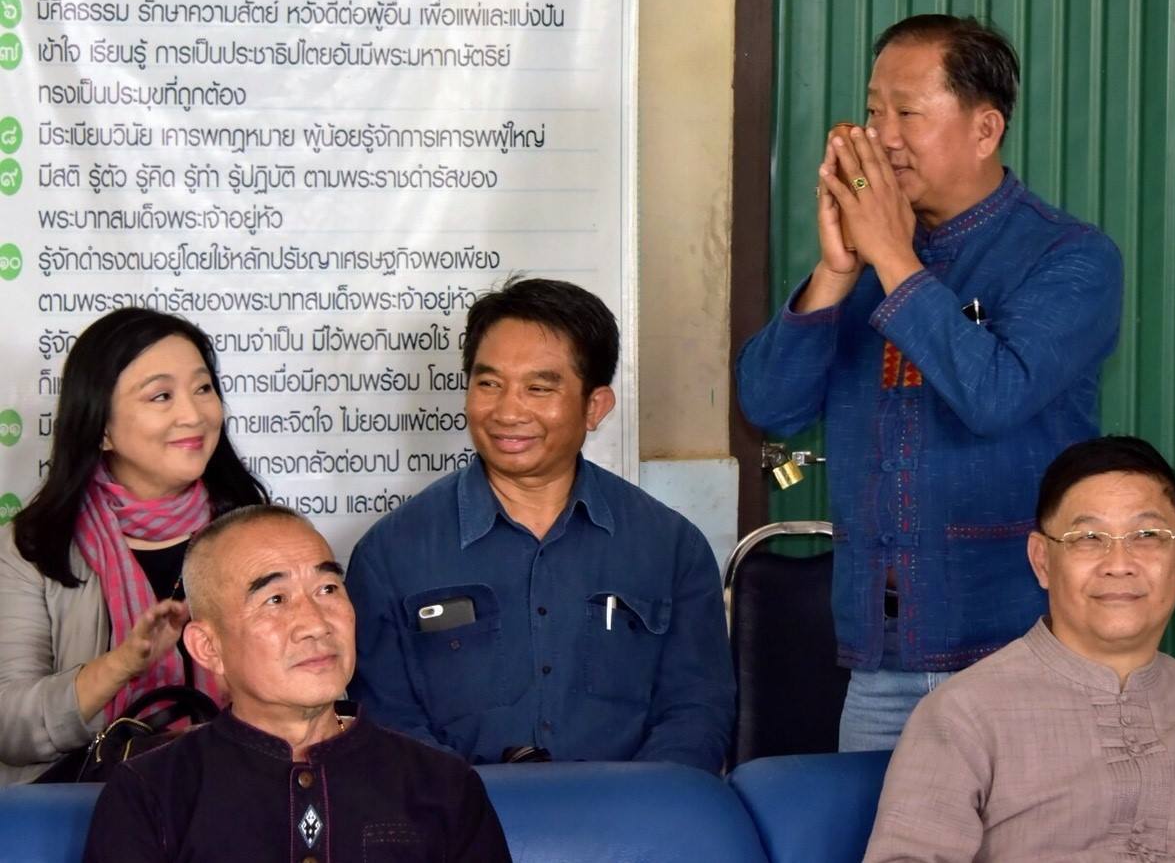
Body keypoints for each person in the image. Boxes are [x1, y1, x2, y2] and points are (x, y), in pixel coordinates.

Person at [735, 13, 1123, 749]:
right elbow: (769, 405)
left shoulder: (1071, 258)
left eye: (907, 113)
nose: (883, 137)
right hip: (881, 660)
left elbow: (994, 395)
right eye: (874, 111)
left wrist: (891, 257)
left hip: (1018, 650)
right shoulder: (866, 255)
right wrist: (835, 272)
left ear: (985, 129)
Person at [863, 436, 1175, 862]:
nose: (1118, 563)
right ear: (1042, 561)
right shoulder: (963, 717)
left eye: (1147, 535)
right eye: (1087, 538)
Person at [346, 277, 735, 772]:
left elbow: (697, 711)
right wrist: (468, 805)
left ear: (594, 407)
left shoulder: (671, 548)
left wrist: (636, 803)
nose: (508, 412)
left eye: (538, 388)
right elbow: (385, 719)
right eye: (489, 384)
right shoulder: (390, 554)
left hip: (631, 813)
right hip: (453, 814)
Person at [82, 505, 512, 862]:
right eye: (276, 599)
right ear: (208, 647)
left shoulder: (442, 785)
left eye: (328, 589)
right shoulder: (151, 792)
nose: (315, 623)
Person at [0, 308, 268, 785]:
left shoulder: (259, 532)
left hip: (239, 796)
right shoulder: (32, 547)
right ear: (100, 426)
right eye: (161, 396)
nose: (193, 415)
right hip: (90, 806)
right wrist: (123, 664)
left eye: (203, 388)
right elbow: (10, 729)